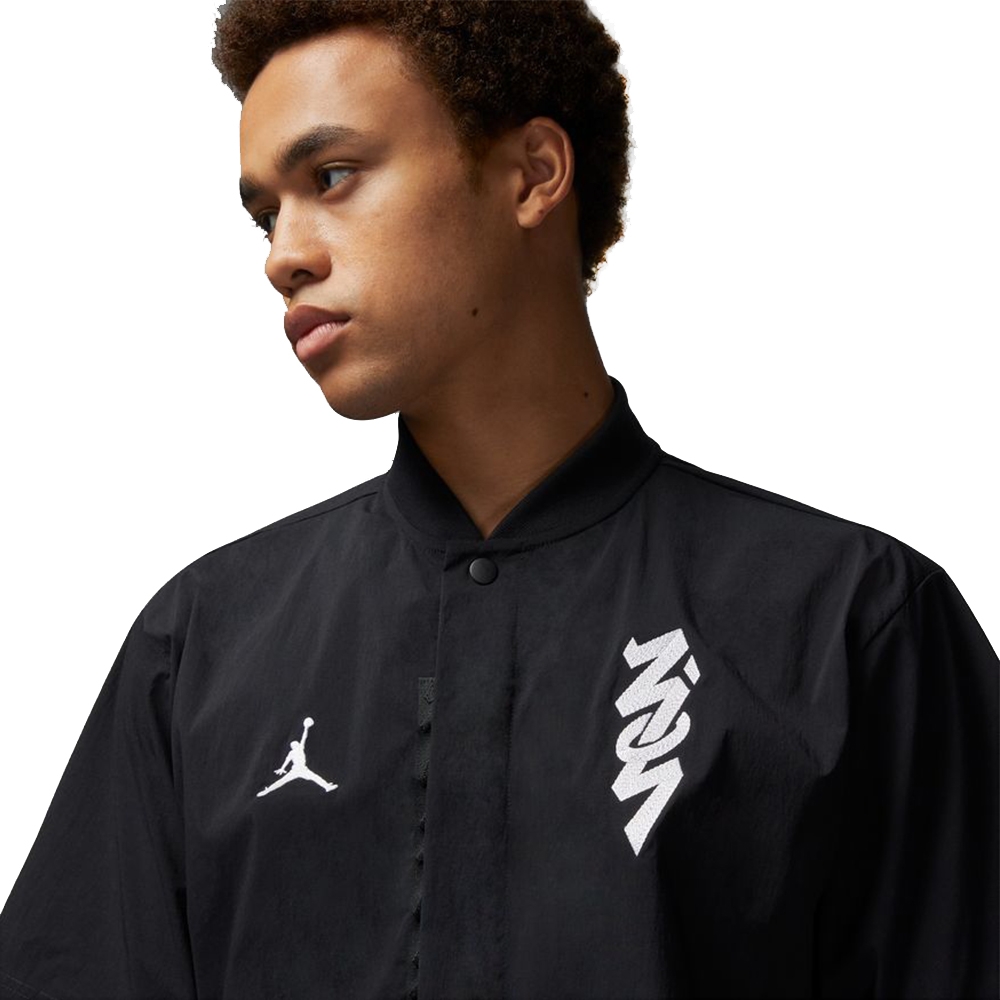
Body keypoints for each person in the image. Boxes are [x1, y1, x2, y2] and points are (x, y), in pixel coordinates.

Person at [1, 2, 997, 999]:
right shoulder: (200, 651)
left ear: (532, 174)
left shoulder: (853, 628)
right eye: (266, 215)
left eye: (333, 176)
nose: (281, 256)